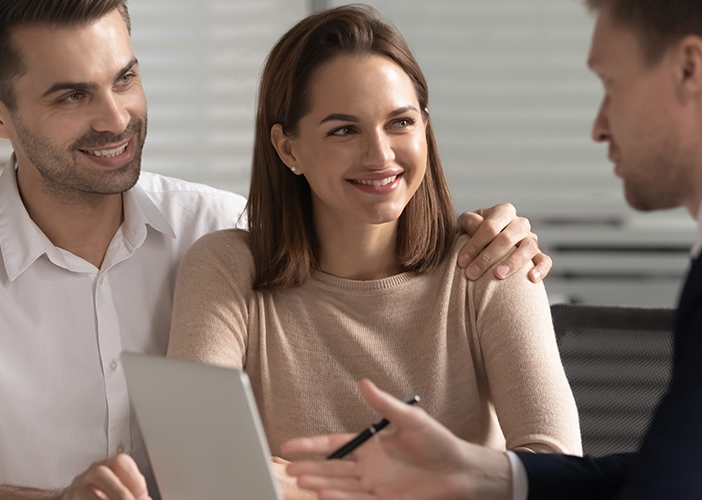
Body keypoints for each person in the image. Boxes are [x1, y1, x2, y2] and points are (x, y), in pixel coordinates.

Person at [0, 1, 553, 499]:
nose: (116, 118)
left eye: (126, 78)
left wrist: (496, 238)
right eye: (71, 96)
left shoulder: (221, 227)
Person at [282, 0, 702, 499]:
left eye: (610, 84)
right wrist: (486, 474)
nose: (598, 125)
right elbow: (697, 471)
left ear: (689, 69)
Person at [165, 4, 582, 498]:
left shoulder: (488, 263)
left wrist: (300, 485)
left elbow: (556, 474)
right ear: (288, 149)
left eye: (400, 122)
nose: (380, 156)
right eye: (344, 130)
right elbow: (201, 477)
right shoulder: (226, 268)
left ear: (425, 126)